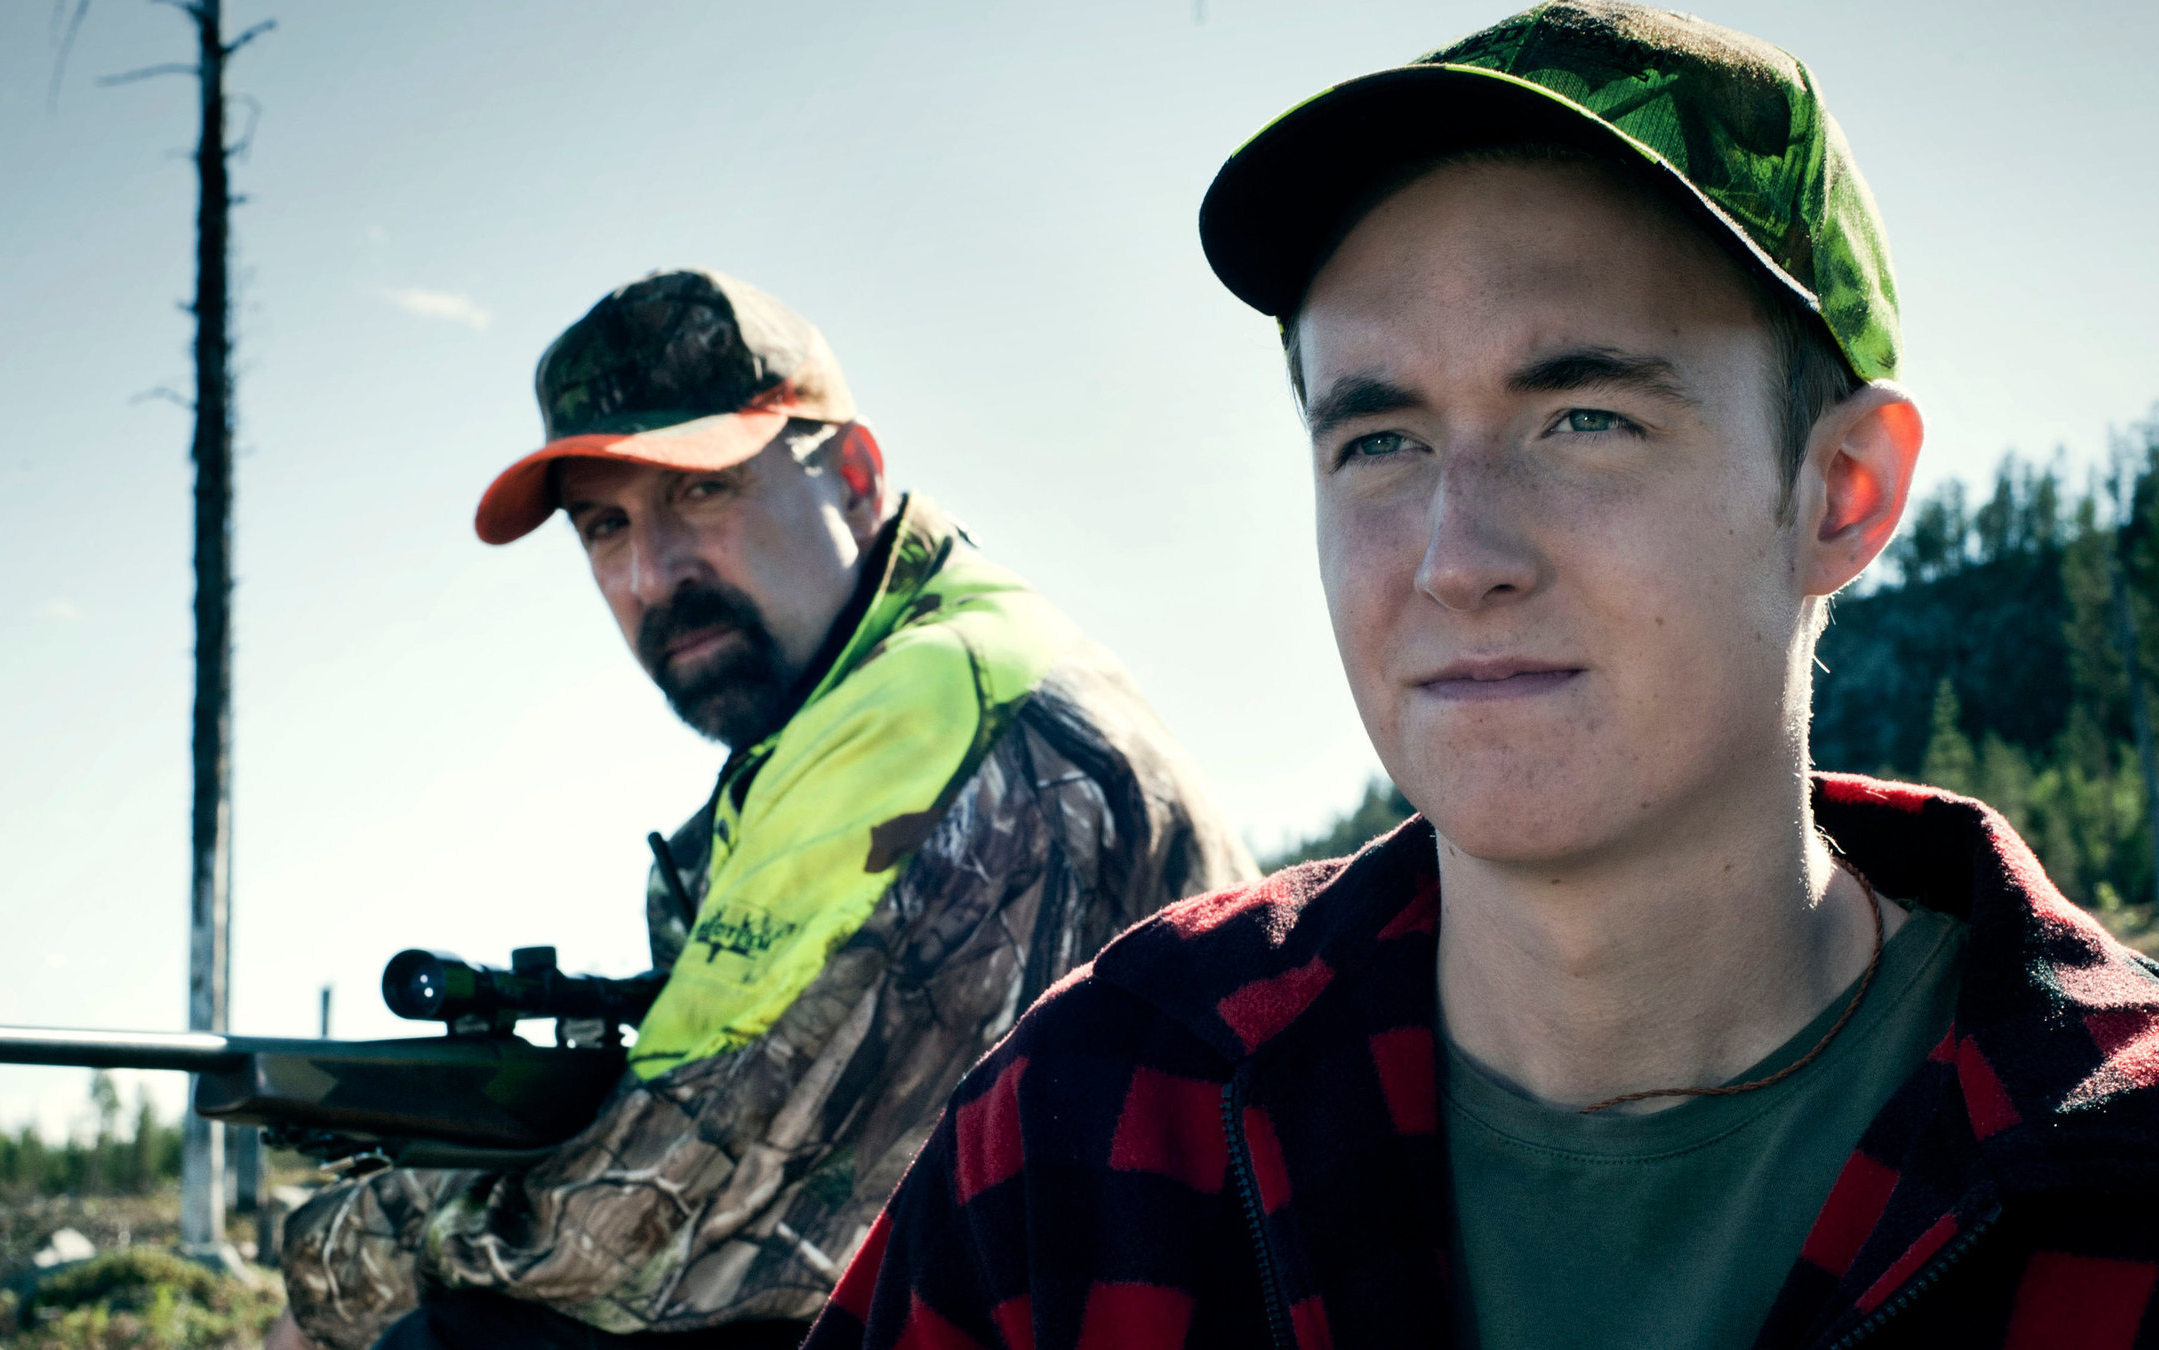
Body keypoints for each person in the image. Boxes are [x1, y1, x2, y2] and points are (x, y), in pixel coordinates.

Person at [806, 5, 2159, 1348]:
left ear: (1842, 491)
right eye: (1379, 440)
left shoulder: (2119, 1165)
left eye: (1586, 418)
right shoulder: (1094, 1118)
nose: (1458, 557)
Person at [267, 269, 1254, 1350]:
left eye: (702, 491)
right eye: (603, 525)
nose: (652, 572)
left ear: (856, 476)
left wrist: (328, 1260)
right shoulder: (894, 681)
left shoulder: (924, 710)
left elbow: (630, 1224)